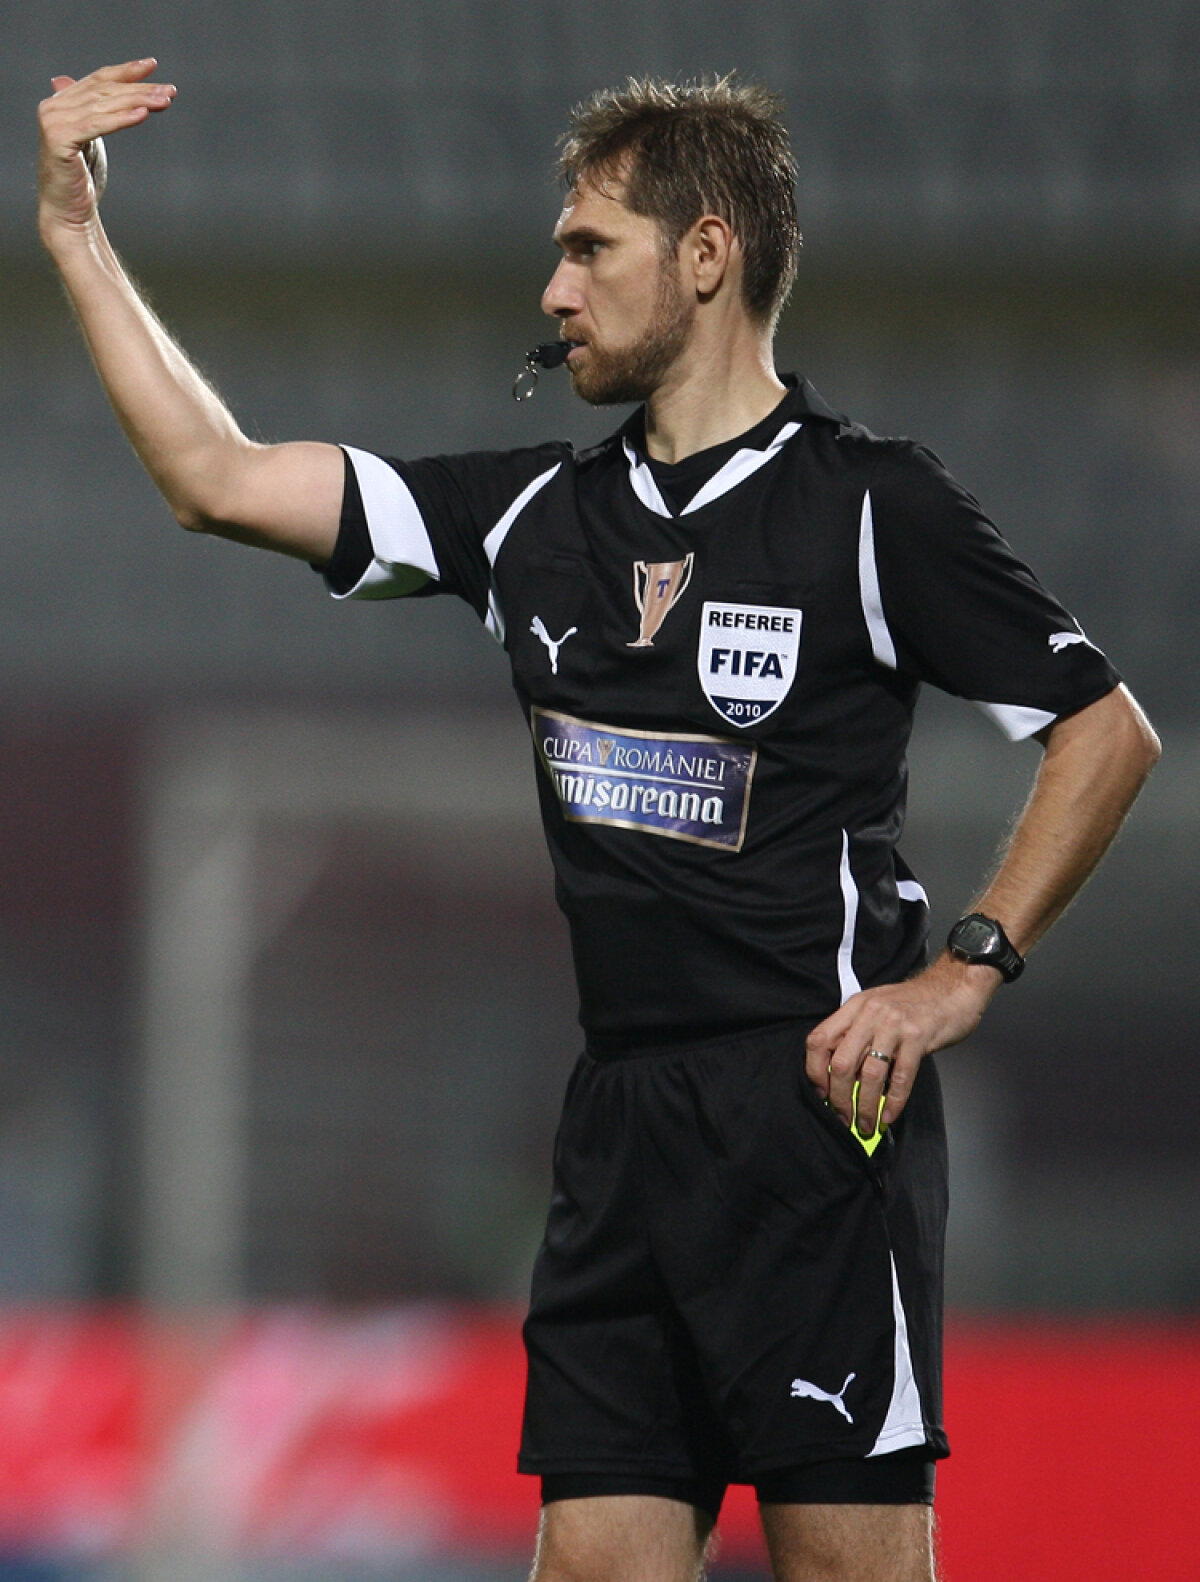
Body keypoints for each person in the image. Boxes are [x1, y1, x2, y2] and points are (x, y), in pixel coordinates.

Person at [38, 61, 1159, 1582]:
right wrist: (76, 239)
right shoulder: (533, 520)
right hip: (622, 1126)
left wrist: (963, 970)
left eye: (589, 248)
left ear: (705, 254)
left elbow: (1104, 729)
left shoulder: (869, 507)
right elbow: (215, 478)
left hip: (813, 1116)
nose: (554, 289)